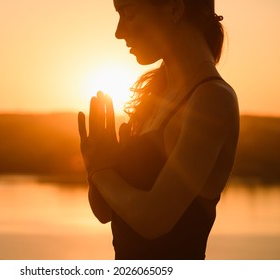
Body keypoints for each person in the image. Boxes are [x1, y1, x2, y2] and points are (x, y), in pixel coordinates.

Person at [78, 0, 239, 260]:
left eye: (128, 14)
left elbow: (154, 220)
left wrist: (100, 170)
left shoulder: (212, 99)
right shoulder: (156, 97)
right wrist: (97, 164)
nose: (118, 32)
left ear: (175, 9)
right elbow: (104, 212)